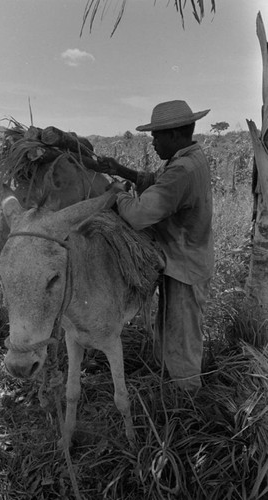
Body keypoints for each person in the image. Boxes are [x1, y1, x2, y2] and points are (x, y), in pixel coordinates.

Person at [99, 100, 214, 392]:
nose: (152, 142)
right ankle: (173, 386)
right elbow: (156, 182)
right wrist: (121, 170)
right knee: (172, 328)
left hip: (185, 264)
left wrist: (116, 194)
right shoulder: (187, 159)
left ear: (175, 134)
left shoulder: (182, 170)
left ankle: (186, 403)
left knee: (182, 334)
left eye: (156, 136)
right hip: (184, 260)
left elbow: (139, 215)